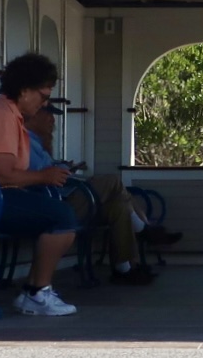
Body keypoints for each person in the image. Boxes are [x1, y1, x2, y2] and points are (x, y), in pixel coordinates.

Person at [0, 52, 81, 317]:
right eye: (43, 97)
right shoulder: (1, 116)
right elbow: (2, 174)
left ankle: (34, 290)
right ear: (24, 91)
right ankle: (37, 294)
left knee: (57, 213)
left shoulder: (7, 113)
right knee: (62, 216)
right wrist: (45, 177)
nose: (44, 104)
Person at [25, 99, 158, 287]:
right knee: (112, 181)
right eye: (48, 115)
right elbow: (38, 172)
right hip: (55, 202)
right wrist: (62, 167)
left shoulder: (39, 142)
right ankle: (144, 229)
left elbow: (48, 167)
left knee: (119, 206)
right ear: (34, 116)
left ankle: (125, 270)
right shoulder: (26, 141)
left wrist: (63, 165)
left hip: (65, 196)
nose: (52, 120)